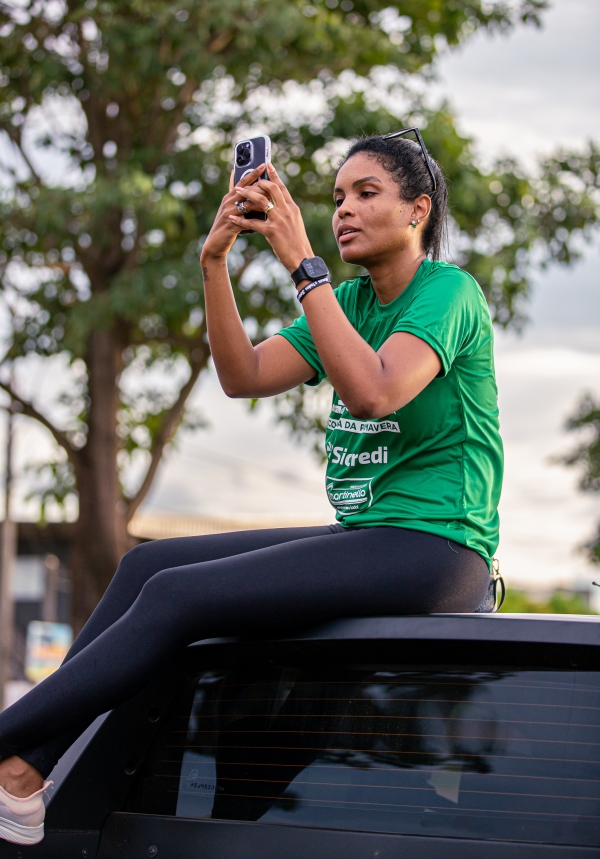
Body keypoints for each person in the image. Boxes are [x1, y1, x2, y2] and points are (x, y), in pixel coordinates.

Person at [0, 132, 502, 844]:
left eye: (366, 194)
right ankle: (26, 775)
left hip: (439, 550)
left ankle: (8, 752)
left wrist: (303, 265)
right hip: (372, 538)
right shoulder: (349, 301)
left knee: (178, 596)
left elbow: (375, 392)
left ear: (418, 210)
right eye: (336, 198)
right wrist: (214, 264)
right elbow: (244, 376)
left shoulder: (448, 292)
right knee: (148, 565)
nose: (342, 210)